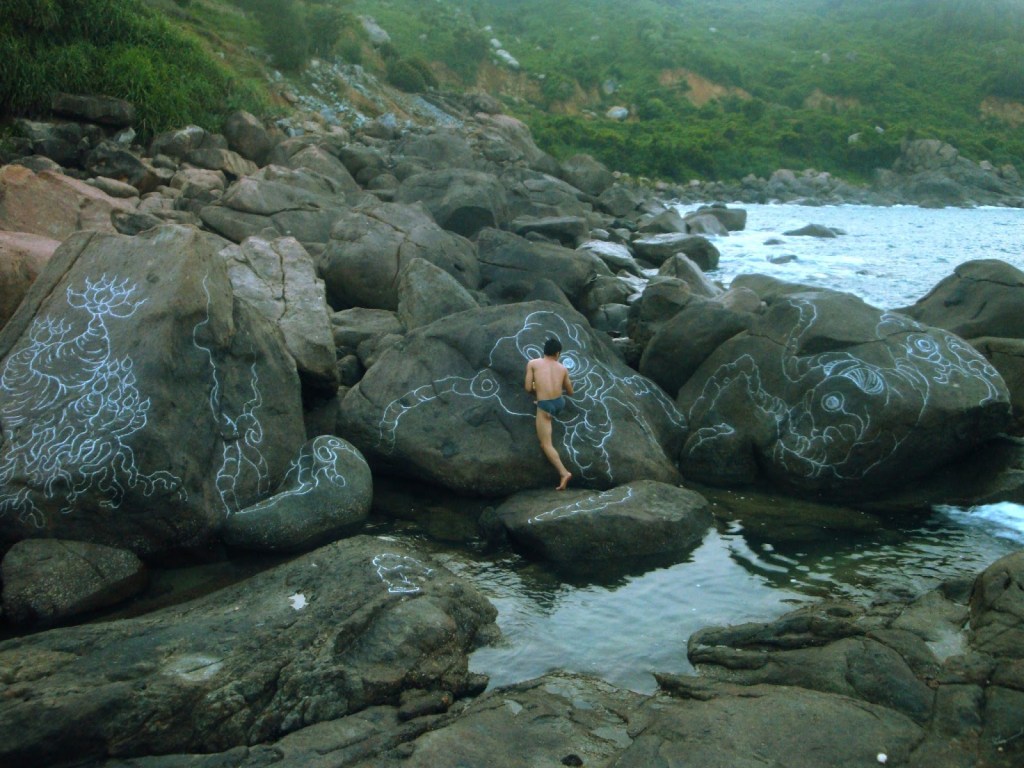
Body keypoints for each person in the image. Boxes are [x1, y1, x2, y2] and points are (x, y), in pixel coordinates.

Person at [524, 337, 575, 490]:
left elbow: (527, 388)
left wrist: (537, 390)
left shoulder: (533, 364)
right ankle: (544, 405)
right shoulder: (562, 368)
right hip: (559, 403)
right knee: (547, 403)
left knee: (545, 444)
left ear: (544, 350)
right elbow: (570, 392)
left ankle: (564, 473)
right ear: (557, 353)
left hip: (545, 406)